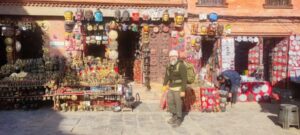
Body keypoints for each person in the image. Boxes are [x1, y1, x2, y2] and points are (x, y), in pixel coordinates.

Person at [162, 50, 187, 128]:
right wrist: (164, 85)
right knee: (170, 102)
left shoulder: (181, 65)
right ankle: (174, 115)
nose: (172, 58)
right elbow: (167, 76)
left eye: (174, 56)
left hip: (179, 88)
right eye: (171, 56)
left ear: (177, 57)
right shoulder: (169, 65)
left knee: (178, 103)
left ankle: (179, 118)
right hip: (171, 87)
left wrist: (183, 90)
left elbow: (184, 79)